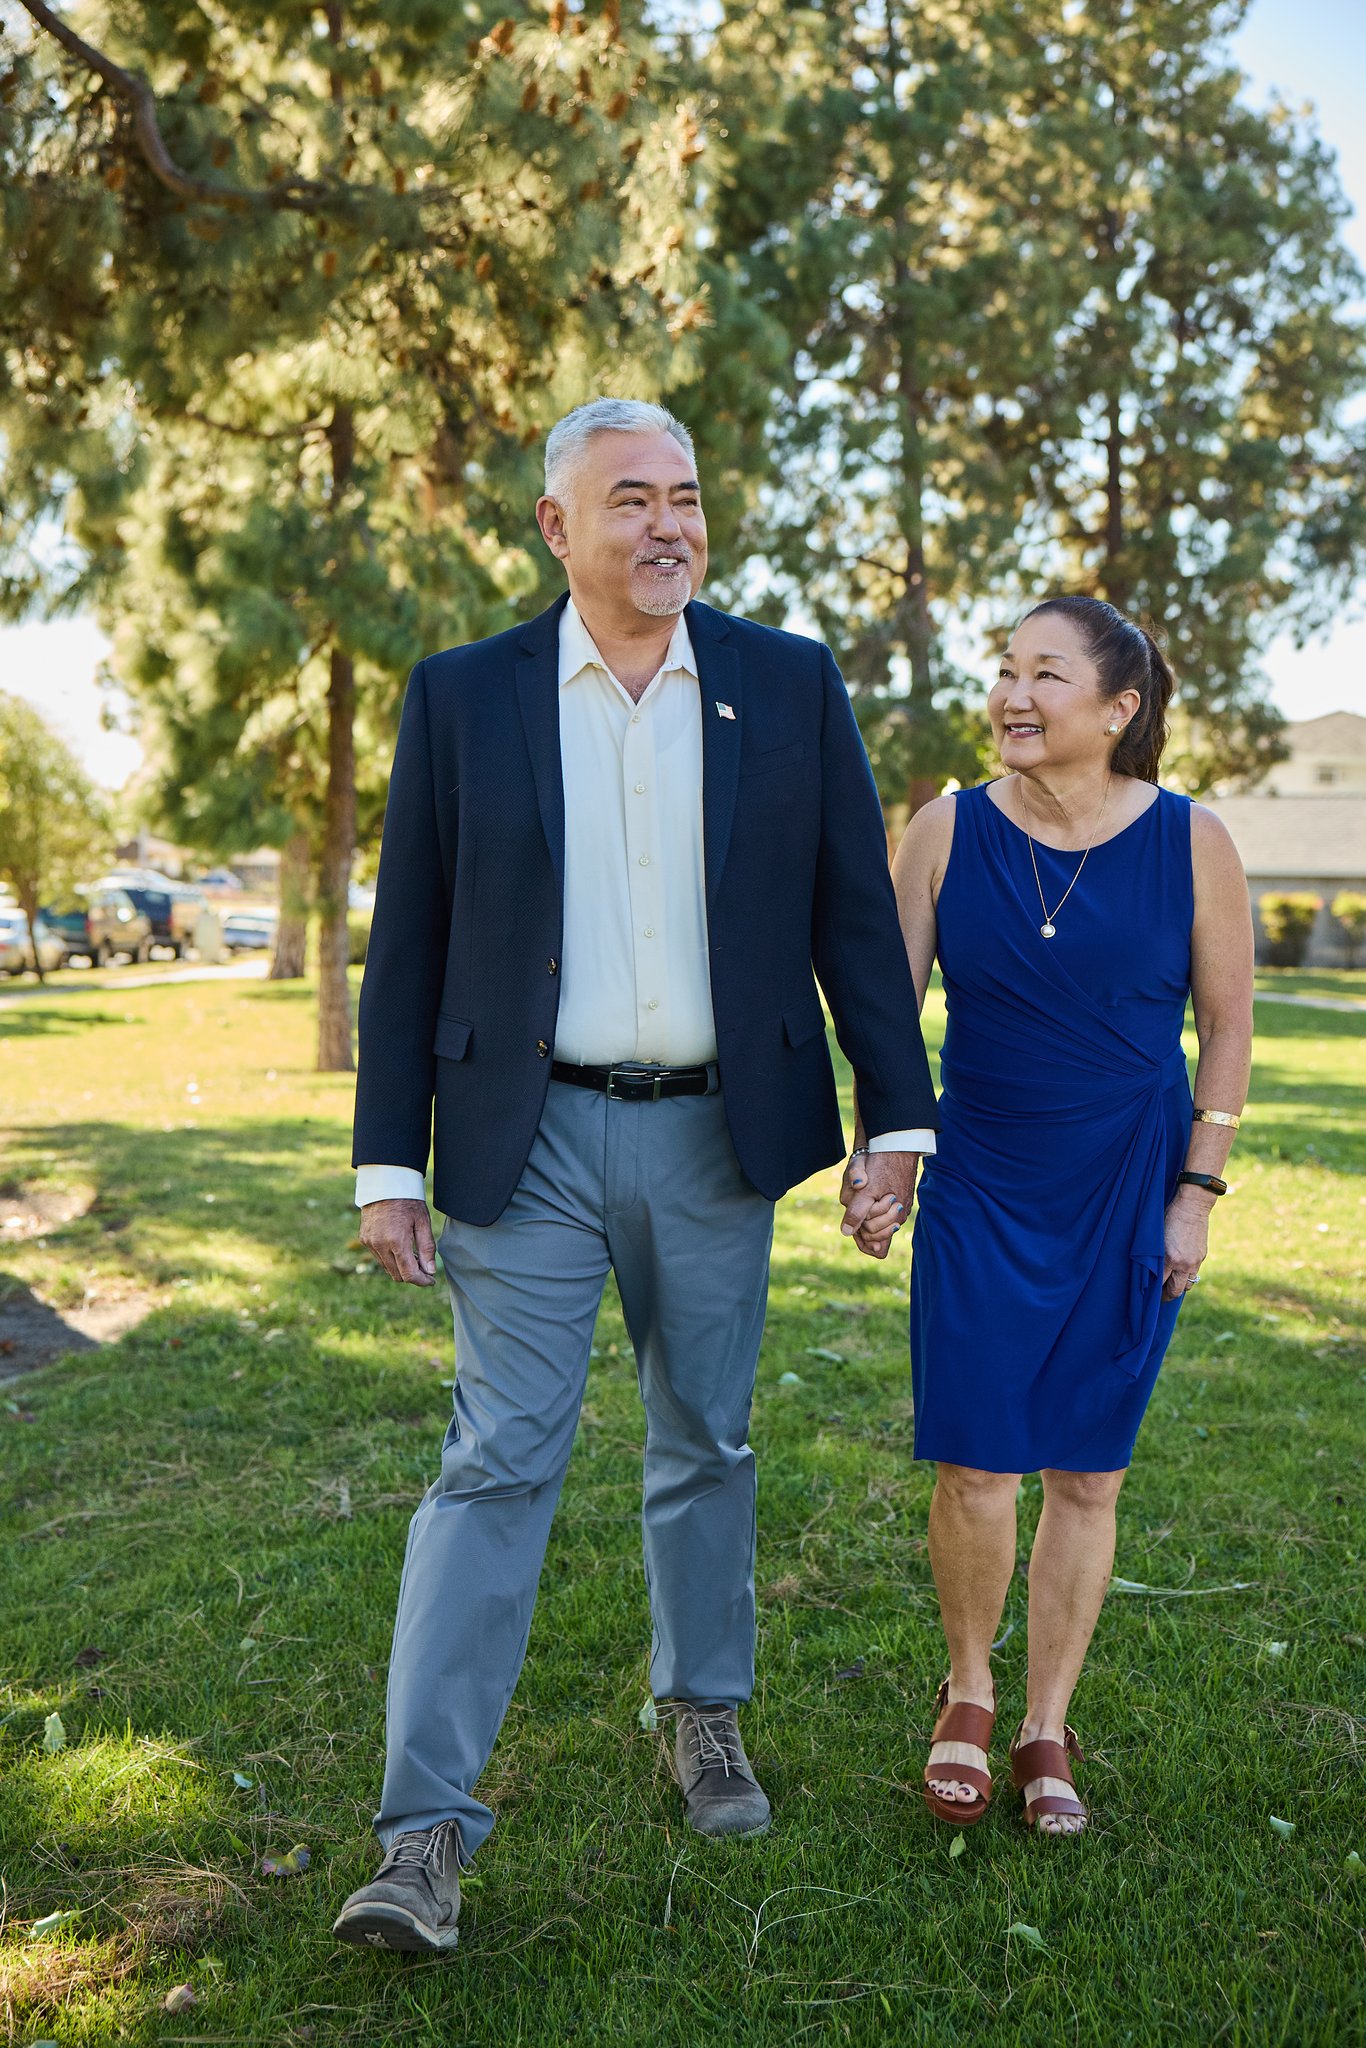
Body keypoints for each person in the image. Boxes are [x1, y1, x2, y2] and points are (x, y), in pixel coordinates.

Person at [331, 398, 938, 1953]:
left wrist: (895, 1120)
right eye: (628, 501)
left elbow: (851, 924)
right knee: (495, 1463)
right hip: (516, 1143)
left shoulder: (785, 684)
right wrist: (387, 1160)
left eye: (684, 496)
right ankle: (421, 1833)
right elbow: (405, 948)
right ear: (556, 528)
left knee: (703, 1440)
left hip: (716, 1137)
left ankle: (703, 1711)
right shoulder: (461, 698)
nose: (666, 525)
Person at [861, 594, 1253, 1836]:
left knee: (1086, 1468)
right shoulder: (944, 829)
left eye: (1045, 675)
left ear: (1119, 708)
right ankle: (966, 1691)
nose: (1012, 696)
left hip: (1131, 1179)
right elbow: (887, 1015)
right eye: (1004, 670)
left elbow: (1229, 1028)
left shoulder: (1194, 841)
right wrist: (888, 1155)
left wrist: (1195, 1191)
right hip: (981, 1172)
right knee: (975, 1456)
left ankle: (1045, 1721)